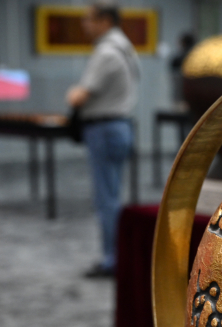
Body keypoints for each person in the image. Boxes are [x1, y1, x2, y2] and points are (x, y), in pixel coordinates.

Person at [66, 1, 139, 279]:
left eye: (89, 19)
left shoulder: (107, 51)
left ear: (105, 21)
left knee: (106, 199)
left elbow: (79, 96)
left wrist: (71, 93)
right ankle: (117, 255)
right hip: (117, 126)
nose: (85, 24)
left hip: (105, 128)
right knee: (112, 195)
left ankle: (112, 259)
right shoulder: (125, 47)